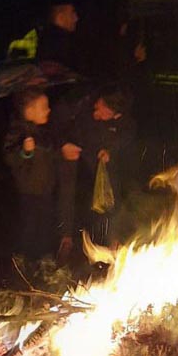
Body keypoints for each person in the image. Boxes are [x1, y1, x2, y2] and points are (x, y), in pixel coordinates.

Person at [62, 86, 136, 249]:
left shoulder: (125, 125)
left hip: (105, 172)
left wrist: (110, 151)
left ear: (113, 112)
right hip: (79, 164)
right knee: (79, 203)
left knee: (110, 204)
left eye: (101, 107)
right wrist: (66, 144)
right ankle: (72, 240)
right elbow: (71, 130)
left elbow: (125, 140)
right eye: (98, 103)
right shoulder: (87, 111)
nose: (96, 106)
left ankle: (112, 242)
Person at [4, 88, 58, 258]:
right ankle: (23, 259)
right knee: (29, 227)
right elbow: (9, 157)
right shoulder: (17, 132)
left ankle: (44, 258)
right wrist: (25, 151)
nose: (48, 110)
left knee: (45, 226)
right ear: (29, 111)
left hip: (45, 189)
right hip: (28, 191)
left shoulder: (43, 131)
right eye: (44, 107)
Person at [37, 2, 79, 73]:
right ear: (60, 18)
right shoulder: (60, 41)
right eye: (72, 14)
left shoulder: (45, 38)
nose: (76, 18)